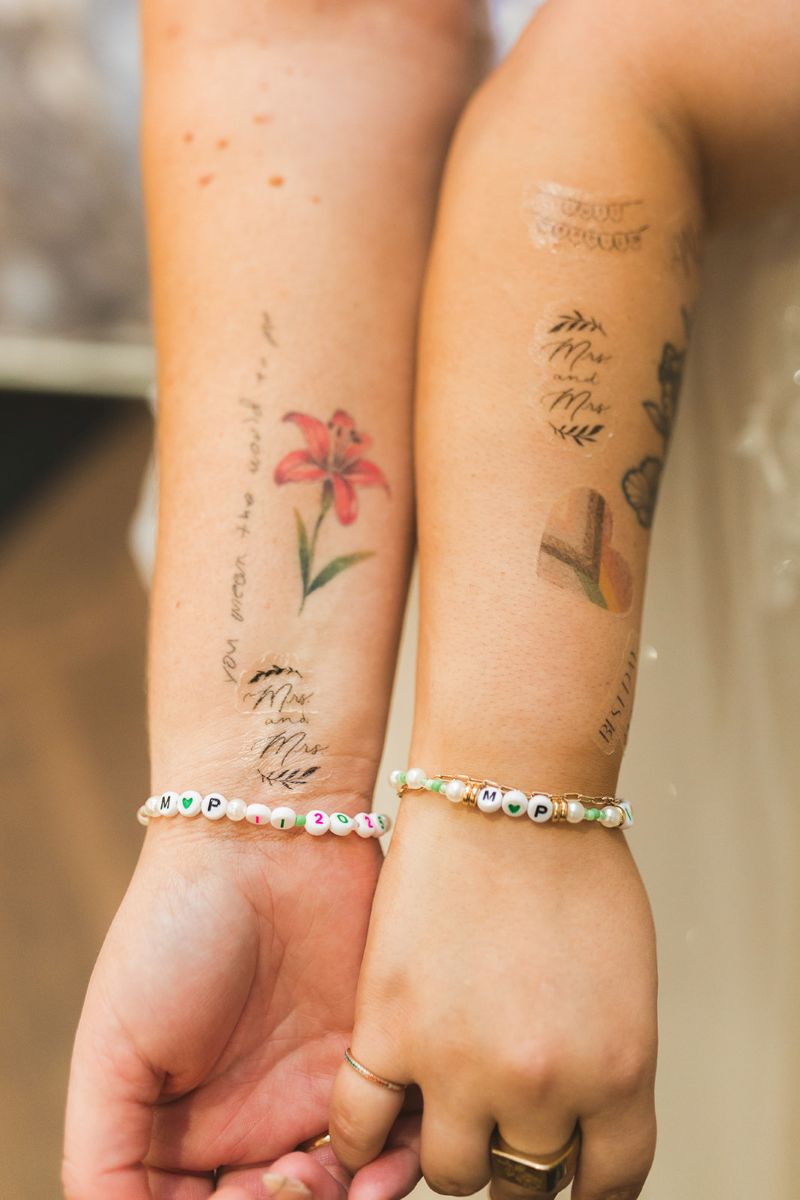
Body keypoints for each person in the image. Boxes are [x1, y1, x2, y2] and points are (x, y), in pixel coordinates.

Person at [62, 2, 800, 1198]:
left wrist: (517, 800)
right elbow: (297, 30)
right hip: (422, 422)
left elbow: (640, 67)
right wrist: (258, 811)